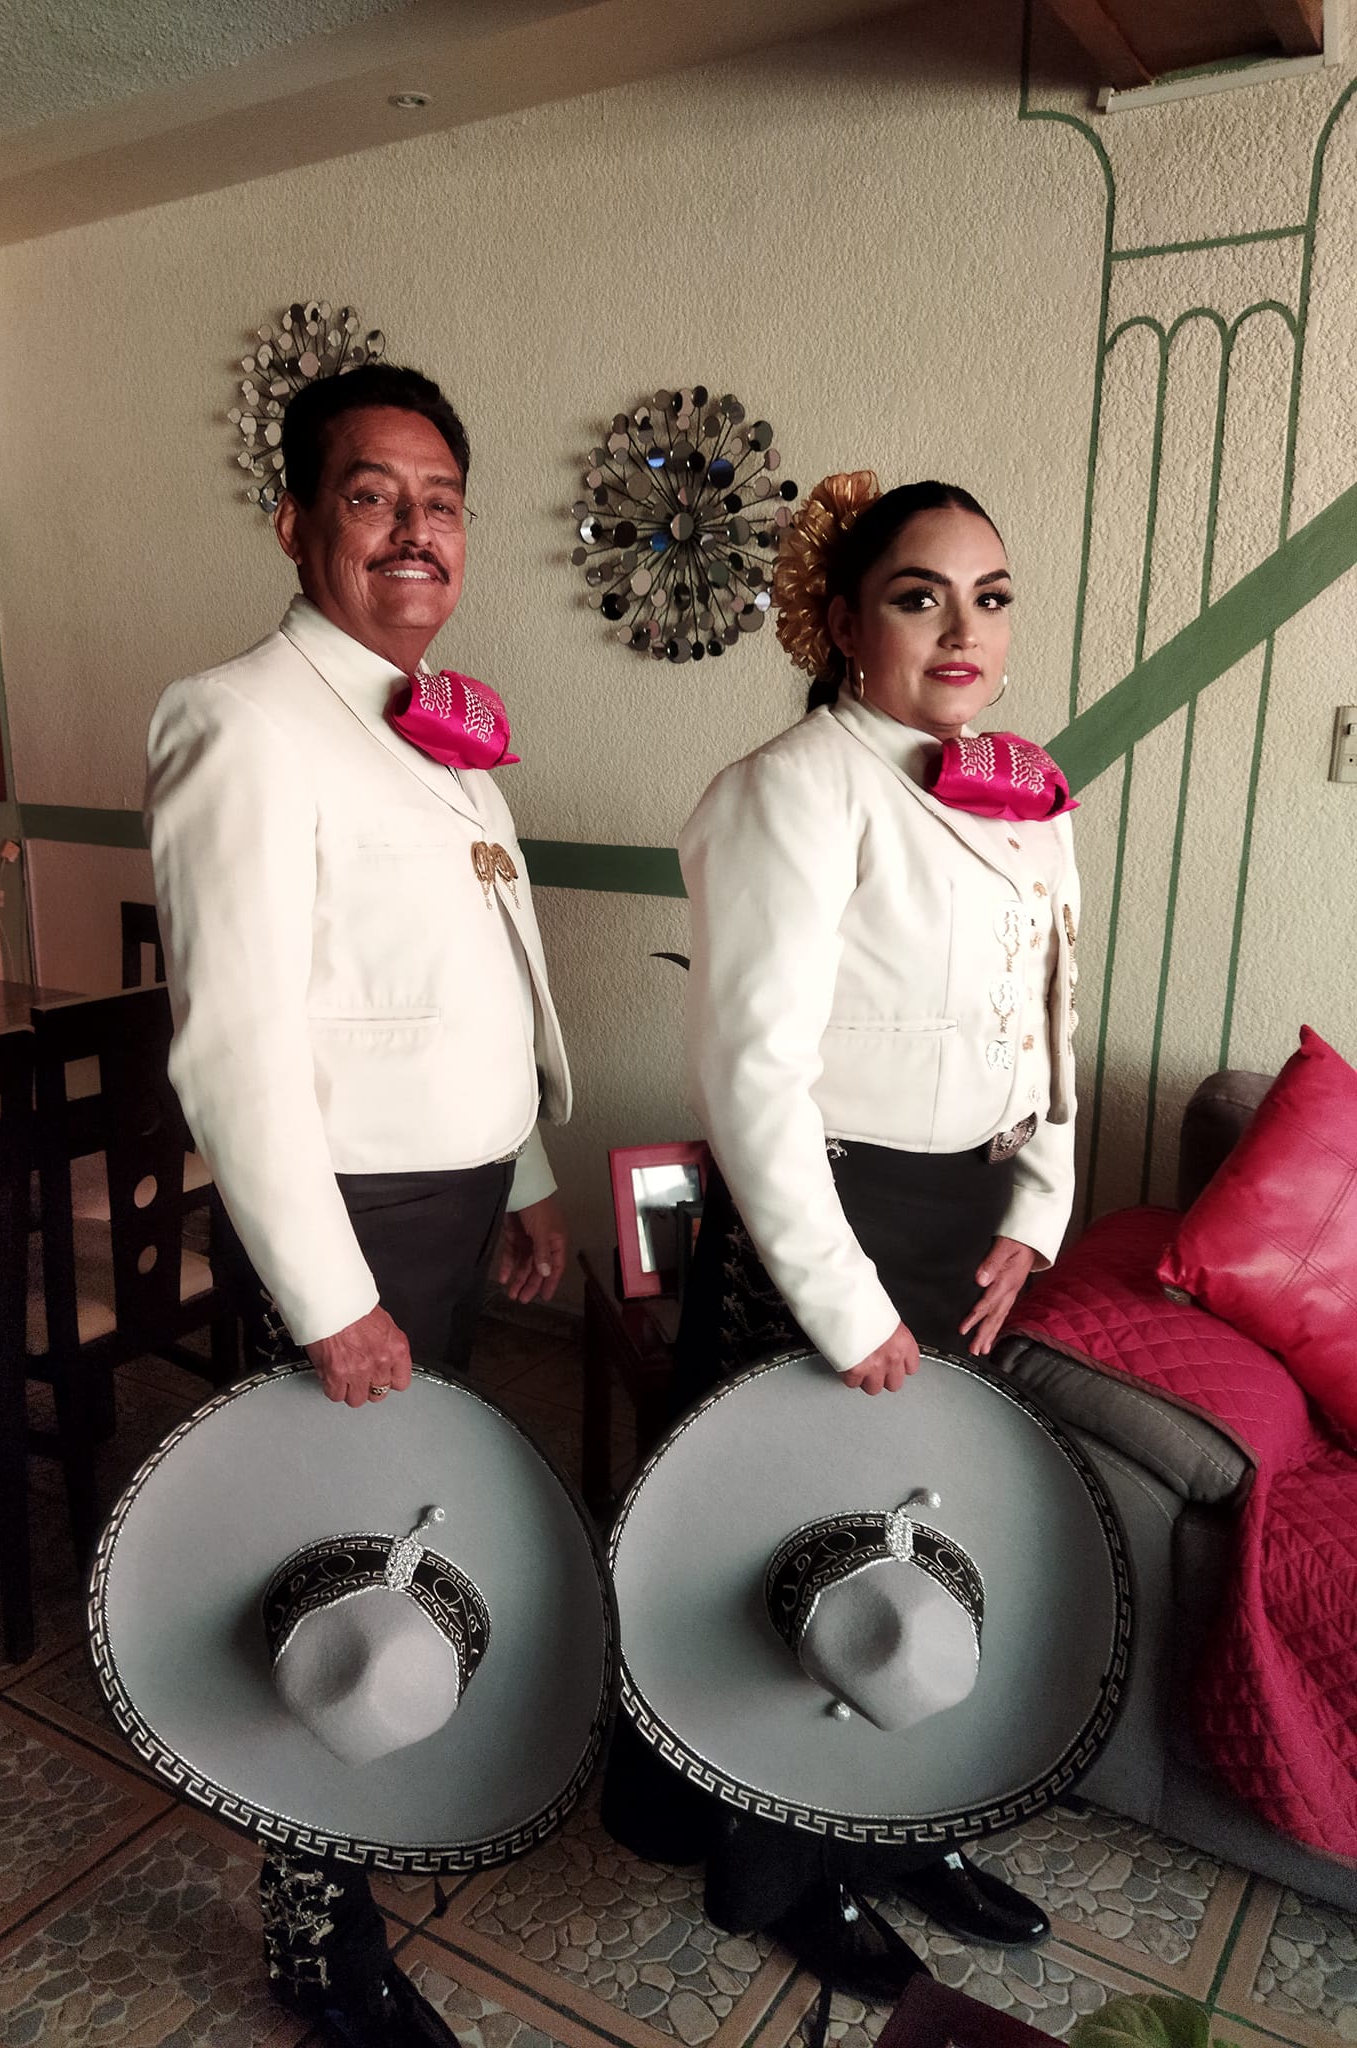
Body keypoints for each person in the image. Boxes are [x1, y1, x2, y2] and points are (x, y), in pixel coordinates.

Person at [603, 471, 1082, 2002]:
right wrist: (843, 1299)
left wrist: (1041, 1206)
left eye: (989, 597)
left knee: (930, 1537)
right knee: (793, 1551)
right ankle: (784, 1869)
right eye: (919, 596)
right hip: (829, 1225)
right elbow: (750, 1077)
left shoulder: (1027, 791)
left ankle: (902, 1825)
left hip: (967, 1223)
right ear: (842, 622)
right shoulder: (793, 788)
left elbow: (1055, 1016)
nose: (962, 629)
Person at [146, 361, 572, 2047]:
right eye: (372, 495)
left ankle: (377, 1787)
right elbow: (234, 1048)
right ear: (296, 522)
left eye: (440, 501)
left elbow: (473, 986)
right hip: (348, 1226)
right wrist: (330, 1297)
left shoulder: (445, 731)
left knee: (406, 1540)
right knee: (319, 1563)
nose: (414, 529)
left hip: (454, 1206)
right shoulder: (242, 717)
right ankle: (316, 1922)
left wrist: (525, 1177)